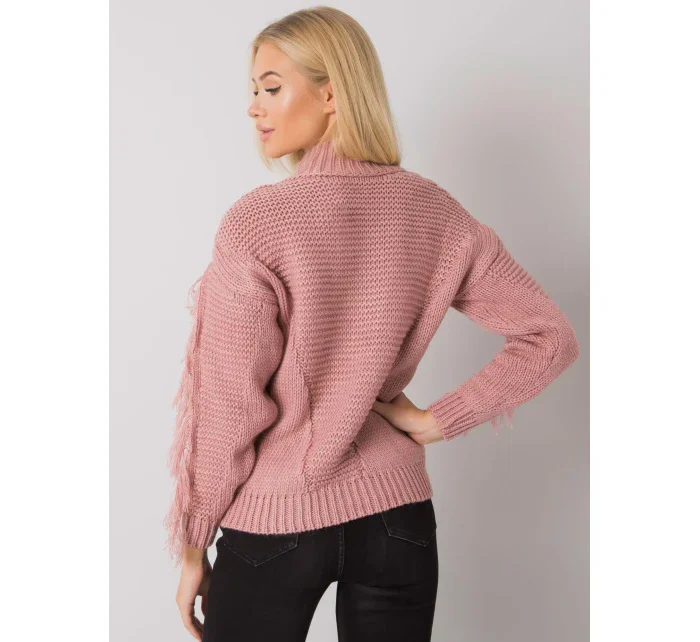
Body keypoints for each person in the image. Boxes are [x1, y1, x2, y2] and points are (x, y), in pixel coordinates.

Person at [164, 7, 580, 642]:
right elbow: (549, 334)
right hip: (397, 519)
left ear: (331, 94)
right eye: (254, 91)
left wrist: (194, 544)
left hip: (276, 521)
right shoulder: (432, 209)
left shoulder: (257, 222)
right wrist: (431, 423)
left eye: (271, 87)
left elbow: (228, 408)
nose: (254, 108)